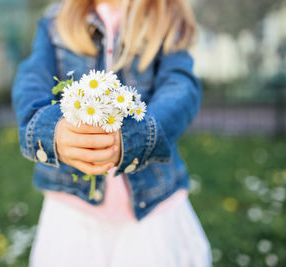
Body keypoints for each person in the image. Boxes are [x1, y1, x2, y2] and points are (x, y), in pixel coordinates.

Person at [12, 0, 212, 266]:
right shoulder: (56, 20)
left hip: (152, 209)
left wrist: (137, 136)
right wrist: (51, 131)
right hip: (73, 212)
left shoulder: (166, 15)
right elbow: (31, 80)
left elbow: (180, 88)